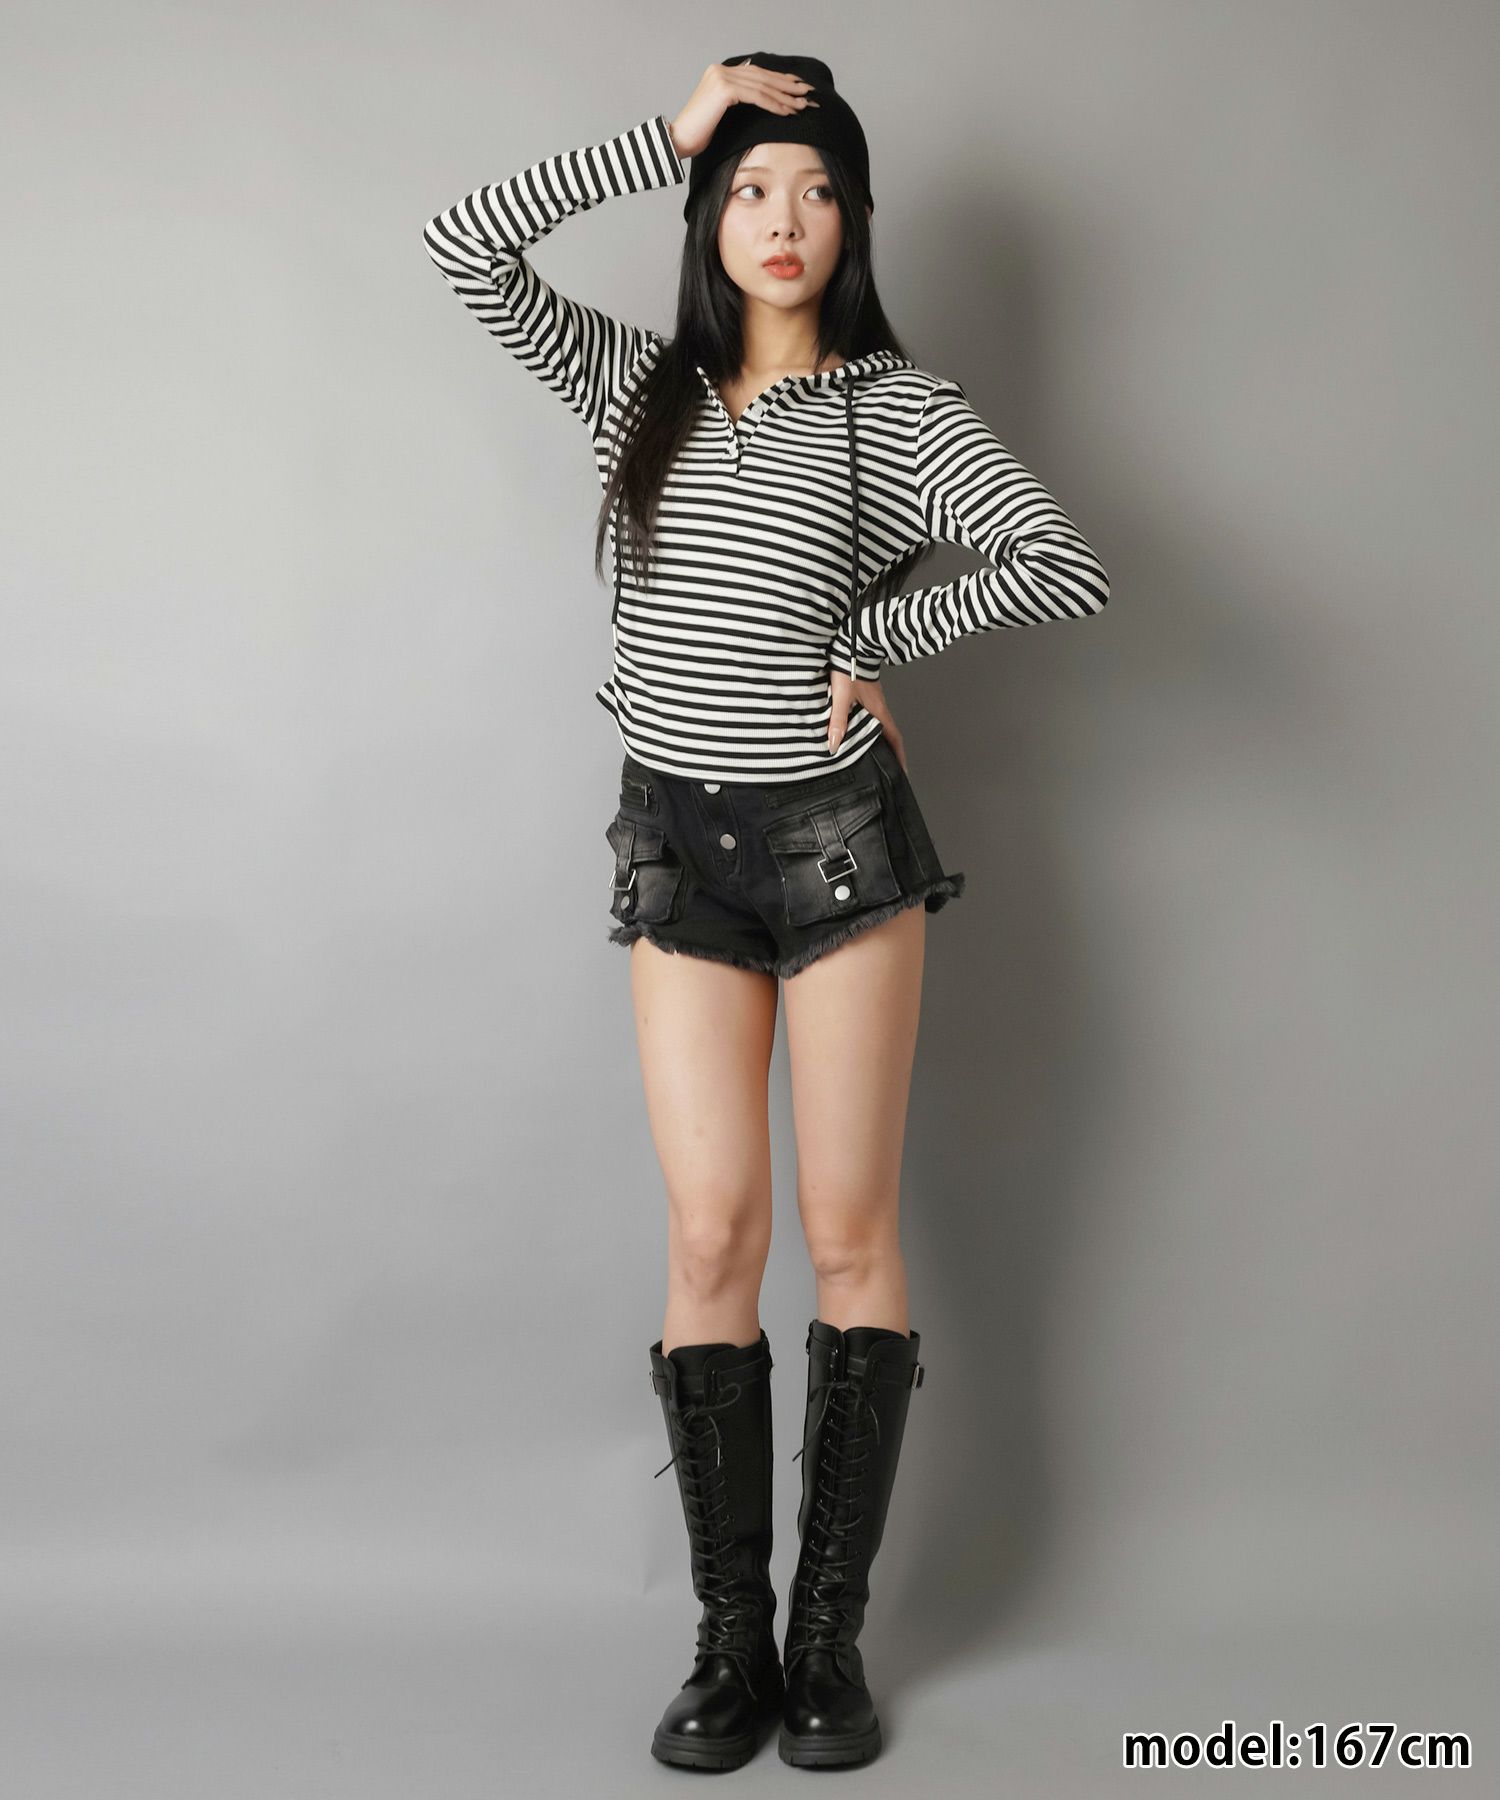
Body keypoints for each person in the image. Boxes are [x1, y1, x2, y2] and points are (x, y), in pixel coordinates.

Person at [422, 53, 1111, 1771]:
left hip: (837, 849)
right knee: (713, 1233)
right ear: (707, 216)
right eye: (745, 187)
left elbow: (1061, 562)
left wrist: (879, 643)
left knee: (851, 1231)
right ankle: (730, 1645)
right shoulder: (640, 387)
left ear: (854, 218)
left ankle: (828, 1648)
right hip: (678, 847)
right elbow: (463, 247)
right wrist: (663, 128)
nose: (781, 219)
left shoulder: (897, 410)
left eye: (813, 190)